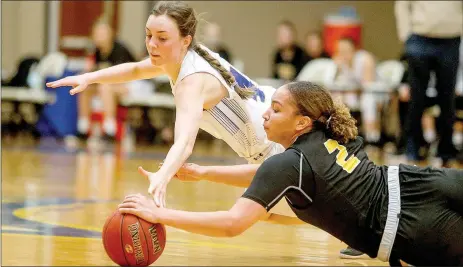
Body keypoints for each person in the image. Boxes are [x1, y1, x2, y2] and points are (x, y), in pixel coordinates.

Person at [119, 81, 463, 266]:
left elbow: (232, 223)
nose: (265, 115)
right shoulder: (328, 136)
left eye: (276, 108)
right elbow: (270, 175)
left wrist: (159, 214)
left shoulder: (289, 164)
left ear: (302, 122)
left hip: (415, 226)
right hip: (421, 182)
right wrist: (205, 172)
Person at [46, 1, 298, 223]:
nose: (152, 44)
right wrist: (88, 78)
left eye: (162, 38)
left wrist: (162, 176)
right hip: (275, 144)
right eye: (148, 35)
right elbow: (135, 70)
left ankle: (334, 217)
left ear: (185, 40)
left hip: (282, 149)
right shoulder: (182, 57)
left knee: (241, 220)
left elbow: (185, 142)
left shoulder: (192, 80)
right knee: (271, 214)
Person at [395, 1, 462, 166]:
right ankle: (413, 148)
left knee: (447, 99)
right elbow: (402, 5)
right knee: (416, 98)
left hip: (451, 39)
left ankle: (446, 150)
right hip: (419, 38)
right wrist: (406, 35)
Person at [78, 17, 137, 142]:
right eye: (97, 33)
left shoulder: (119, 49)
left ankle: (110, 128)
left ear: (110, 34)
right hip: (110, 84)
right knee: (86, 87)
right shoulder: (96, 52)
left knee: (105, 86)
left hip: (135, 82)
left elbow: (123, 75)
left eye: (102, 33)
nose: (99, 36)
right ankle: (83, 127)